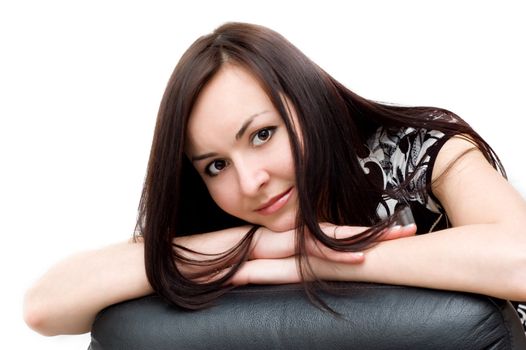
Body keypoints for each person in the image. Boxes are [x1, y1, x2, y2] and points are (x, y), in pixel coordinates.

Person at [24, 22, 526, 336]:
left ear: (308, 106)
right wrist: (257, 248)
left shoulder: (425, 150)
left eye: (262, 134)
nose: (249, 181)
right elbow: (45, 309)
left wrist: (319, 256)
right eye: (215, 165)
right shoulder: (226, 218)